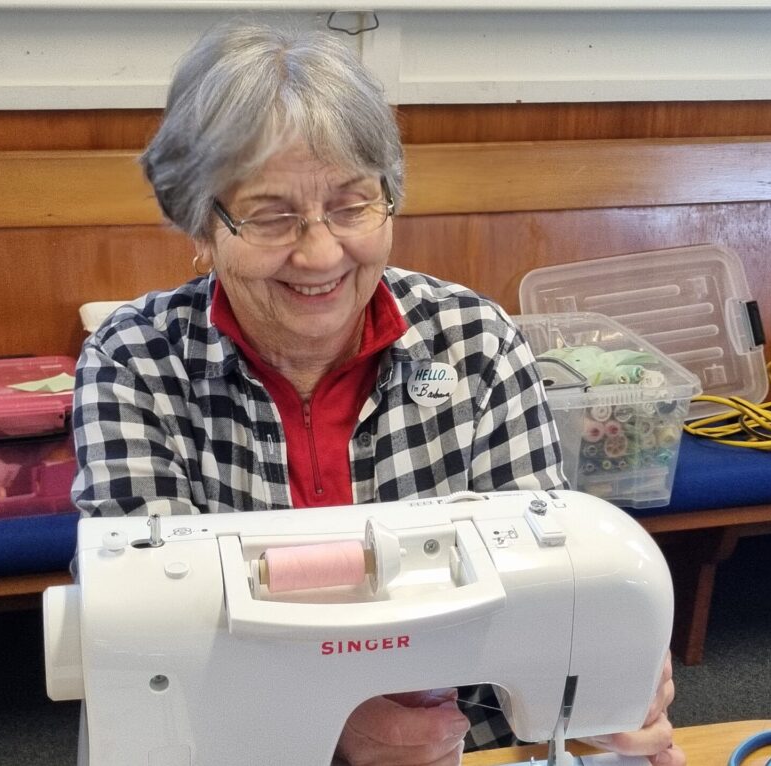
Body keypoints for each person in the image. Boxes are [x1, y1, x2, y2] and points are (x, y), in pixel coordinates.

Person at [71, 18, 685, 766]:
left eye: (353, 205)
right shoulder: (136, 364)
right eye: (271, 215)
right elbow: (146, 639)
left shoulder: (473, 345)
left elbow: (550, 583)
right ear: (202, 223)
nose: (321, 251)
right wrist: (336, 720)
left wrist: (604, 682)